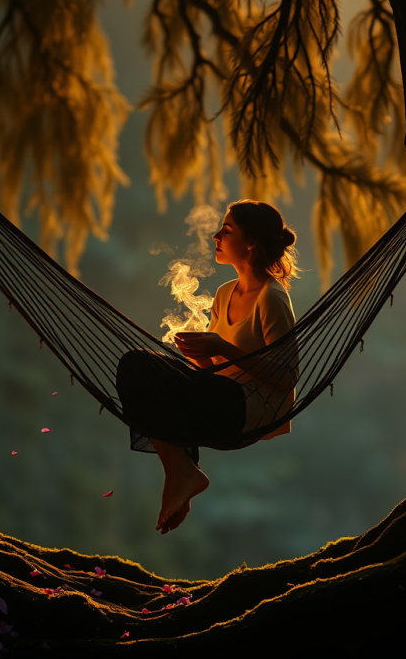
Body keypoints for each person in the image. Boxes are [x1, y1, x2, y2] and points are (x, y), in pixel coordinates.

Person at [116, 200, 300, 534]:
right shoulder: (224, 293)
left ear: (251, 241)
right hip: (221, 400)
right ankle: (181, 473)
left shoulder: (271, 298)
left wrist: (222, 347)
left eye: (226, 230)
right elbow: (213, 371)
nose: (216, 236)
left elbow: (287, 378)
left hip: (249, 412)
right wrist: (199, 356)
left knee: (138, 363)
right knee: (136, 369)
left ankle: (182, 473)